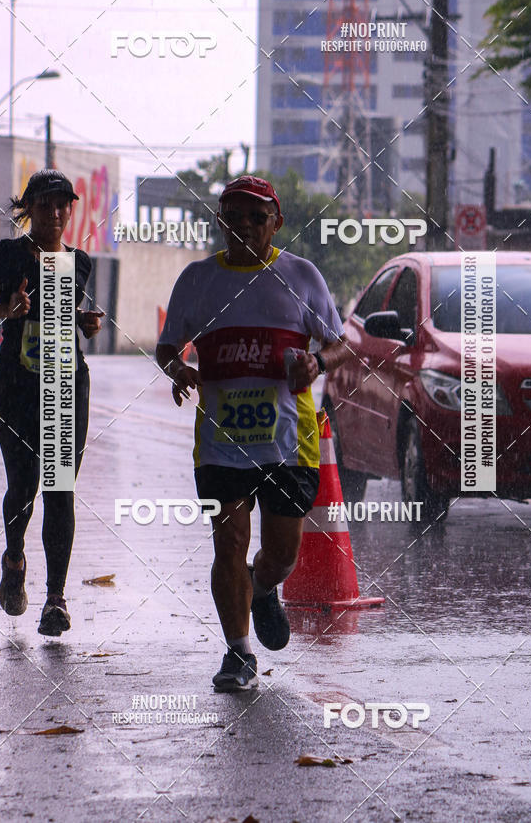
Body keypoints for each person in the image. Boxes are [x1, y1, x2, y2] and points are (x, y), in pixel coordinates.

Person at [156, 175, 348, 691]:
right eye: (232, 216)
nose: (242, 225)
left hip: (290, 443)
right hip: (221, 444)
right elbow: (168, 347)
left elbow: (340, 344)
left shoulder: (301, 276)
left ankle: (264, 587)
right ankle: (238, 653)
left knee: (282, 551)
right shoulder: (197, 280)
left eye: (255, 217)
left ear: (276, 222)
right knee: (228, 544)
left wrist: (316, 362)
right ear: (220, 222)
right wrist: (180, 370)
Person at [0, 169, 104, 636]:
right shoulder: (7, 256)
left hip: (65, 385)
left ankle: (56, 599)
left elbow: (63, 318)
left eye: (62, 203)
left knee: (61, 488)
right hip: (15, 387)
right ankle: (13, 558)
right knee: (23, 487)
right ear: (29, 208)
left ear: (72, 208)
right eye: (44, 204)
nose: (54, 212)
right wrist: (4, 311)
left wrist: (84, 322)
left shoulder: (80, 262)